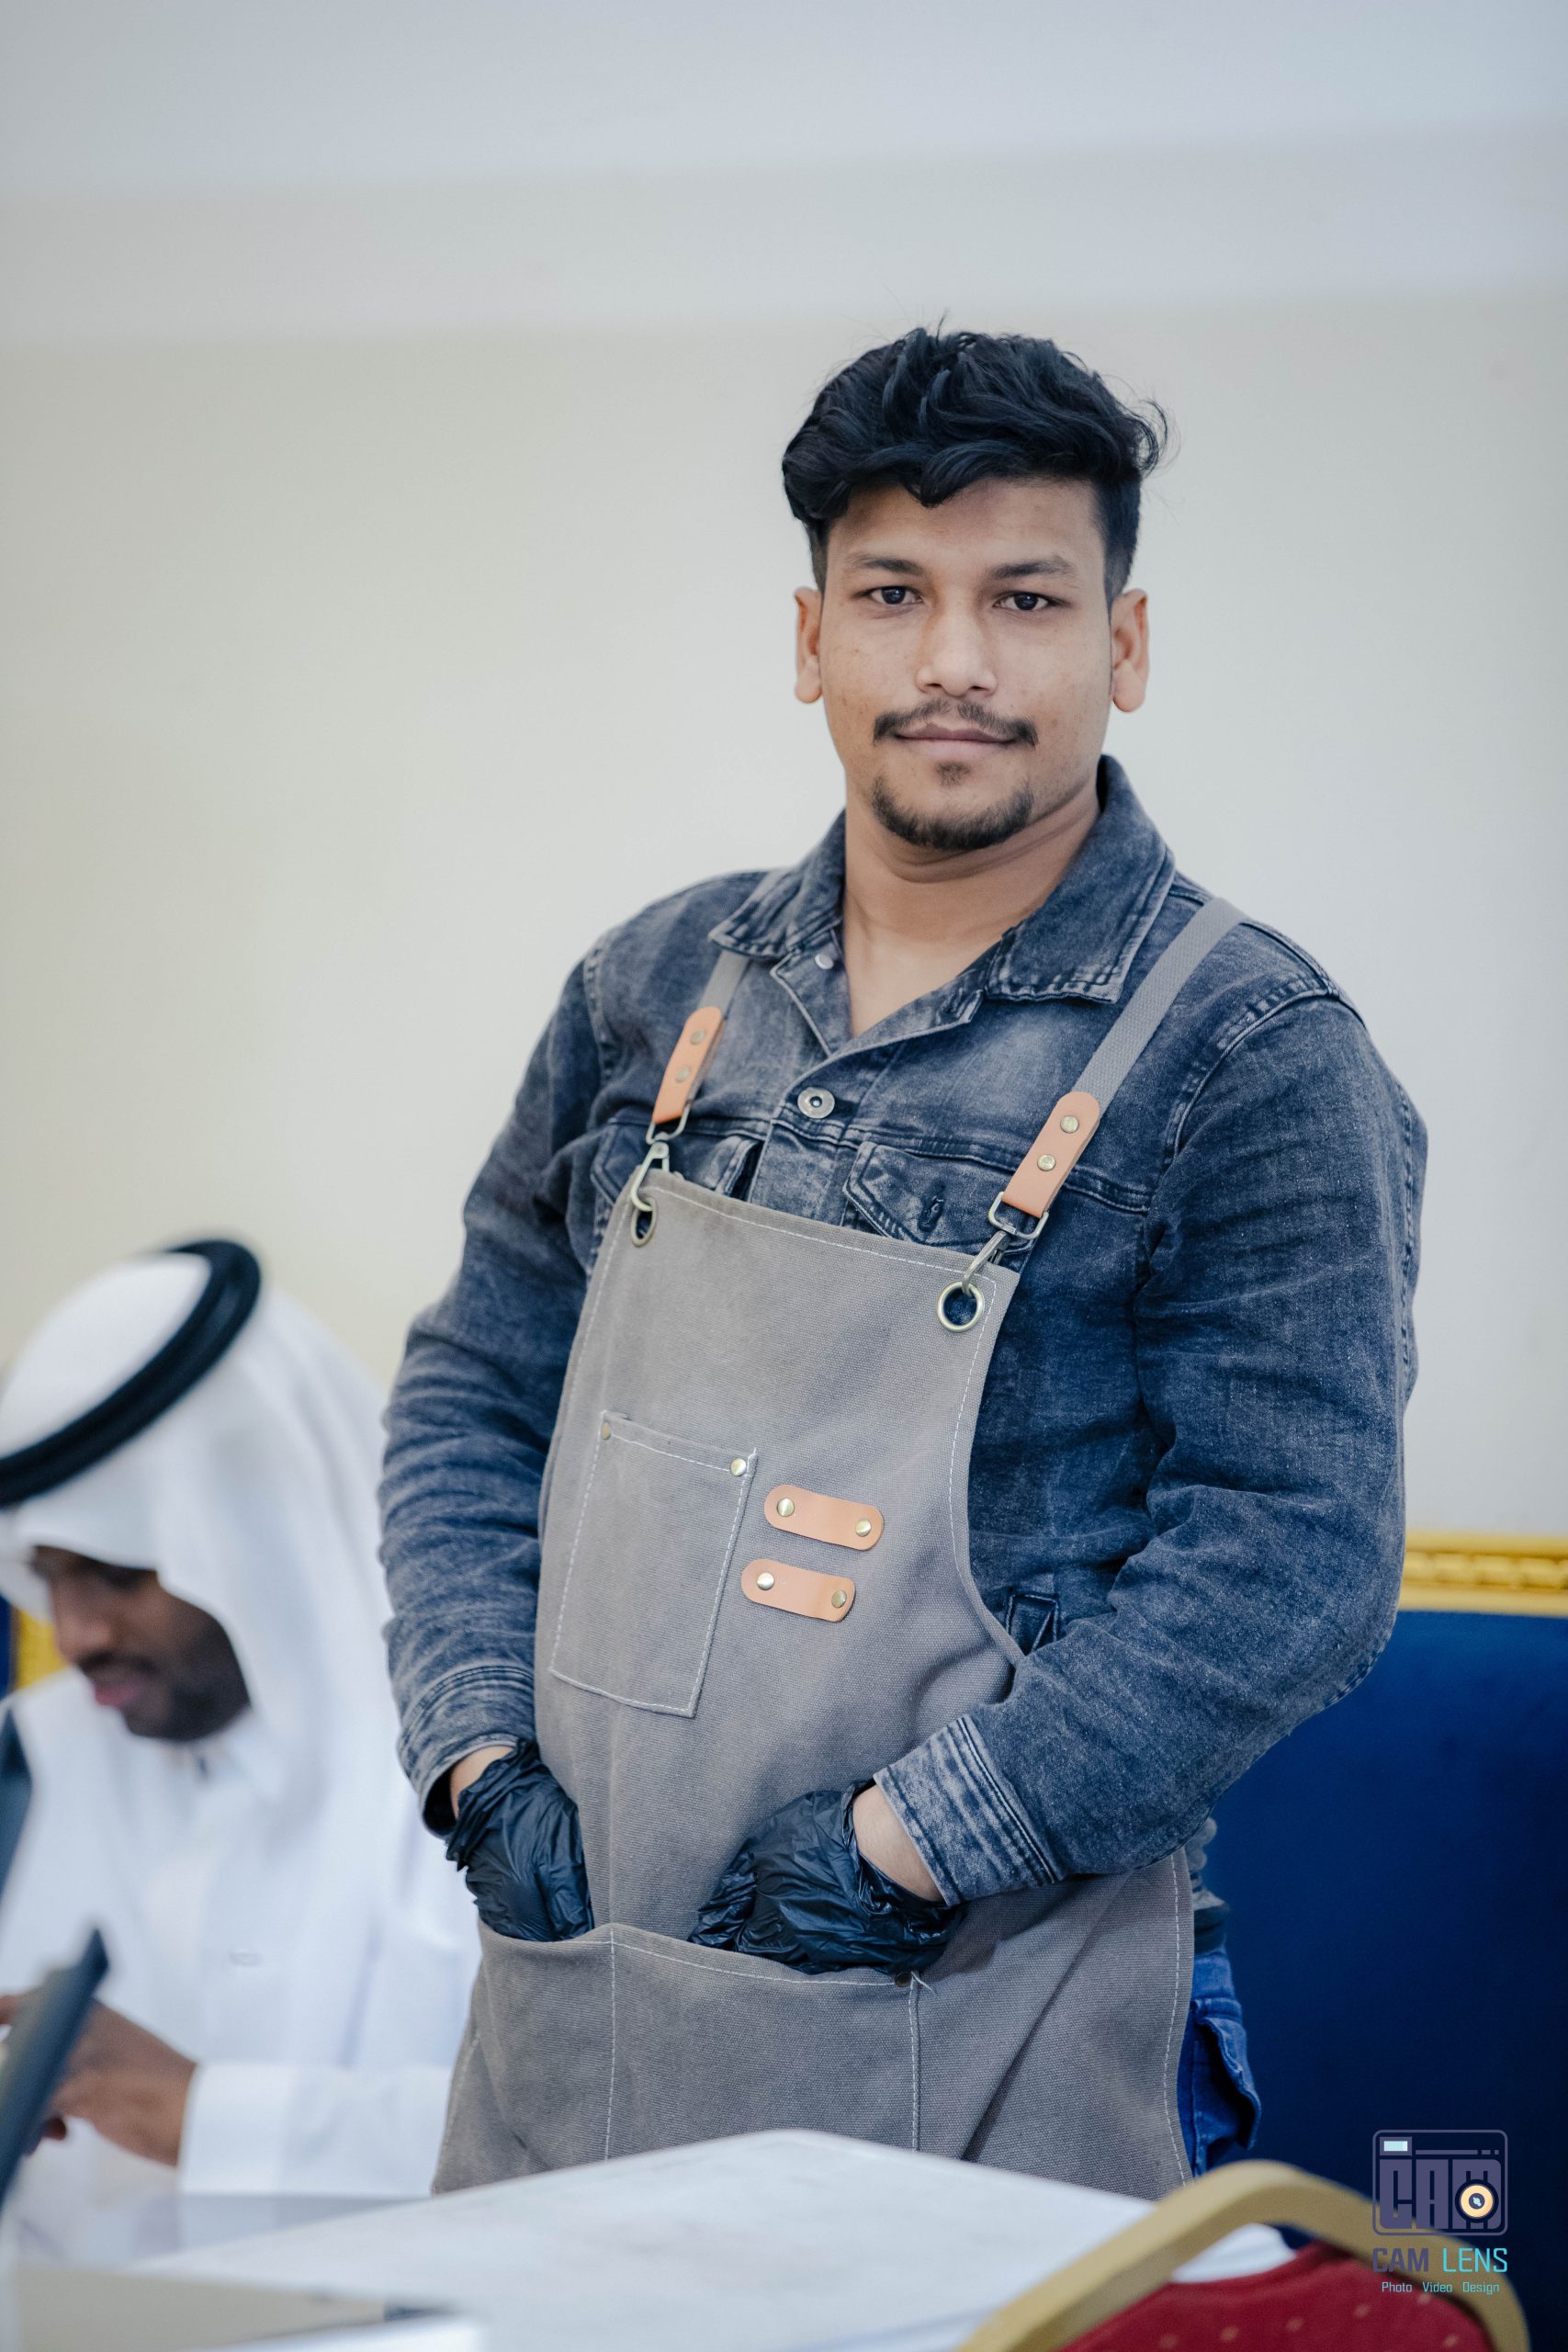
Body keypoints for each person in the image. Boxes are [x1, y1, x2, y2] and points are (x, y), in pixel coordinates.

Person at [380, 329, 1425, 2197]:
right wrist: (470, 1751)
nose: (954, 659)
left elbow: (1291, 1557)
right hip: (578, 1991)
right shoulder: (651, 990)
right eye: (891, 594)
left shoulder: (1250, 1055)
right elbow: (472, 1391)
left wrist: (910, 1845)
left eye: (1024, 597)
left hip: (992, 2009)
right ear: (810, 640)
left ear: (1120, 644)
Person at [0, 1241, 478, 2199]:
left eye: (117, 1575)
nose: (77, 1634)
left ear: (258, 1532)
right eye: (49, 1579)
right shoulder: (36, 1758)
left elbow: (593, 2139)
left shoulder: (486, 1772)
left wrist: (205, 2116)